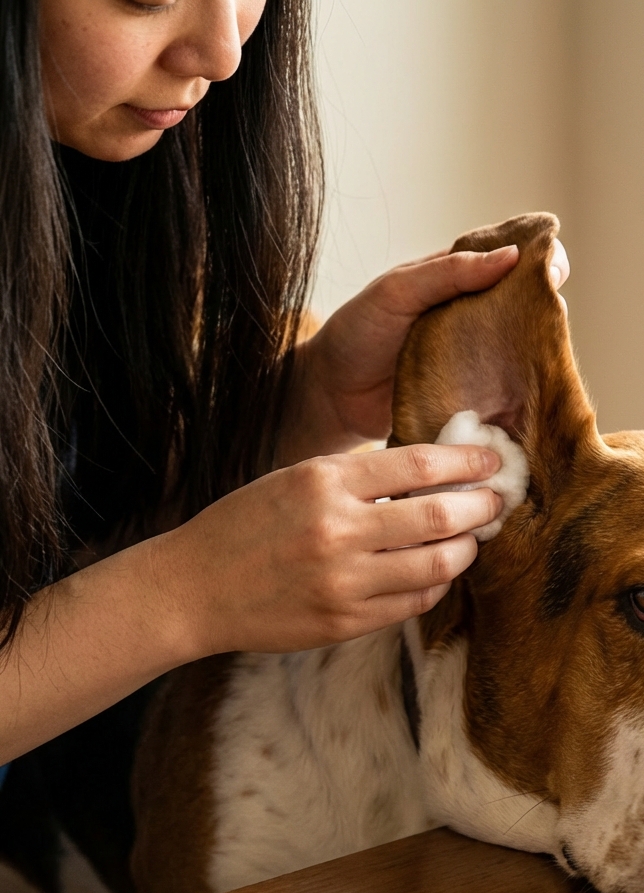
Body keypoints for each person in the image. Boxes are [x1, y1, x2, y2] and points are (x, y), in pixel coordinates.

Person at [0, 0, 570, 774]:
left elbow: (46, 569)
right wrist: (189, 592)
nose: (222, 51)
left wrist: (313, 405)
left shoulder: (96, 175)